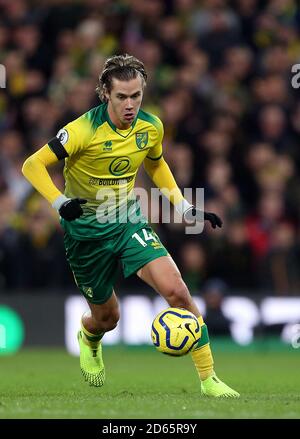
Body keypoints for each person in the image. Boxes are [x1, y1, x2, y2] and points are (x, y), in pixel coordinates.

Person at [22, 54, 239, 397]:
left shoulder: (151, 127)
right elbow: (32, 165)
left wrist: (183, 206)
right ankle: (89, 337)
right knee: (108, 318)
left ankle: (209, 378)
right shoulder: (82, 130)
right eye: (122, 96)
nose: (130, 104)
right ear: (106, 94)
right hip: (86, 232)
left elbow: (156, 164)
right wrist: (59, 202)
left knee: (178, 292)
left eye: (136, 96)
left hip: (125, 219)